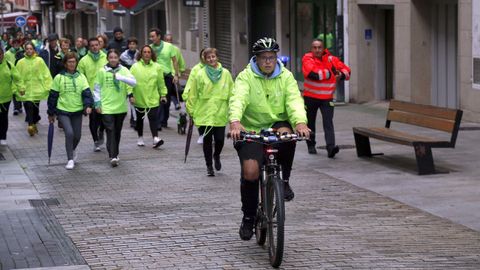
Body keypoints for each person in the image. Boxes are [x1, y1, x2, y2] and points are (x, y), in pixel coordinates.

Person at [229, 37, 310, 240]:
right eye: (263, 58)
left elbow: (294, 100)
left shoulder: (286, 77)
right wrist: (236, 122)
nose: (267, 62)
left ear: (276, 58)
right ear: (255, 59)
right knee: (250, 172)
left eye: (271, 57)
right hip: (251, 129)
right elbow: (238, 98)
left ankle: (284, 180)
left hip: (276, 124)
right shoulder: (245, 77)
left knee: (288, 135)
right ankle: (248, 217)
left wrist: (300, 122)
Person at [185, 47, 233, 176]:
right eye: (208, 57)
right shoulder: (200, 74)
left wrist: (233, 111)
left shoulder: (226, 74)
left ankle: (216, 155)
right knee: (207, 140)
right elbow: (193, 94)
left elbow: (232, 93)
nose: (211, 59)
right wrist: (190, 110)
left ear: (217, 57)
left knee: (219, 140)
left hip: (220, 112)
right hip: (204, 113)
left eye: (213, 56)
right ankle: (209, 166)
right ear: (204, 60)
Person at [302, 38, 350, 157]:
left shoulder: (331, 59)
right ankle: (311, 145)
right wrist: (331, 73)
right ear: (311, 49)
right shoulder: (307, 58)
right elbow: (312, 75)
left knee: (328, 122)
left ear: (323, 49)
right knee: (310, 123)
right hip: (310, 97)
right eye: (315, 47)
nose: (317, 50)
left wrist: (341, 75)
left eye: (319, 47)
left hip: (327, 98)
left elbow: (347, 71)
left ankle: (331, 148)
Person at [47, 52, 93, 169]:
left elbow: (87, 93)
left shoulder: (81, 77)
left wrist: (88, 105)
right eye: (69, 62)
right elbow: (53, 95)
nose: (72, 64)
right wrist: (51, 113)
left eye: (74, 62)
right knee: (69, 133)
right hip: (63, 110)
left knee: (77, 136)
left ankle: (72, 149)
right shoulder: (59, 77)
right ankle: (70, 159)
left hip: (77, 110)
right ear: (65, 64)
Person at [93, 49, 136, 167]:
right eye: (110, 57)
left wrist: (121, 77)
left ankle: (114, 152)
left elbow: (133, 82)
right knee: (110, 129)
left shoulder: (124, 70)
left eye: (115, 57)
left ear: (118, 59)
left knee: (117, 131)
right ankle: (113, 155)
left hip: (120, 107)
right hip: (106, 107)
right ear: (107, 59)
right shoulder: (102, 71)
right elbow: (96, 88)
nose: (113, 59)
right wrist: (97, 103)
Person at [130, 45, 167, 148]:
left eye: (149, 52)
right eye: (144, 52)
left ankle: (155, 138)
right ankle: (140, 137)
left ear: (152, 54)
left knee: (153, 118)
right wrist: (130, 95)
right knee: (139, 119)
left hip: (152, 97)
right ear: (141, 54)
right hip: (139, 97)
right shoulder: (135, 67)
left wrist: (163, 94)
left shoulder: (157, 67)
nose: (146, 54)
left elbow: (161, 82)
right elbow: (130, 82)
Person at [15, 42, 53, 136]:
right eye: (27, 49)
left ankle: (34, 122)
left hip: (37, 90)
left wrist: (48, 86)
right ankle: (30, 126)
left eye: (30, 48)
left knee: (35, 110)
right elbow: (17, 76)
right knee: (28, 107)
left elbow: (46, 74)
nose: (29, 50)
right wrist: (19, 88)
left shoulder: (39, 60)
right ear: (25, 50)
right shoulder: (20, 62)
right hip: (25, 90)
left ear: (34, 50)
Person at [77, 37, 108, 152]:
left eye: (97, 45)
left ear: (100, 45)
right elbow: (80, 77)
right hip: (90, 94)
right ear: (89, 47)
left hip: (104, 93)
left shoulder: (106, 58)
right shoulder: (84, 61)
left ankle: (101, 131)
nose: (95, 47)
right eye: (92, 45)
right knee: (93, 118)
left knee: (104, 117)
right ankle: (95, 140)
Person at [148, 28, 180, 129]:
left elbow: (174, 61)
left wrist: (176, 75)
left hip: (167, 75)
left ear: (159, 36)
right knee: (157, 98)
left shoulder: (169, 46)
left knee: (166, 99)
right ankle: (157, 122)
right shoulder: (149, 48)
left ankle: (164, 120)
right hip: (154, 76)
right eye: (150, 36)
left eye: (153, 36)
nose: (151, 38)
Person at [0, 47, 24, 145]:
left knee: (3, 117)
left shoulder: (9, 65)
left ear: (3, 55)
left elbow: (18, 78)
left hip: (6, 97)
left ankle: (2, 136)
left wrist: (21, 88)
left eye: (0, 54)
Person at [120, 37, 140, 129]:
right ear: (128, 45)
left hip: (135, 80)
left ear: (136, 45)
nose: (132, 45)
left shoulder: (139, 55)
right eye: (130, 44)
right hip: (125, 80)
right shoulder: (123, 56)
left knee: (133, 99)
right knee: (124, 100)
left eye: (134, 44)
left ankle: (134, 119)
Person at [164, 33, 186, 109]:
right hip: (166, 74)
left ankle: (176, 103)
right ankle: (176, 103)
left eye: (170, 40)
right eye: (167, 40)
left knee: (171, 90)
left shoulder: (176, 49)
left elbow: (181, 61)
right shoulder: (162, 50)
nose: (169, 42)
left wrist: (180, 72)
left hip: (174, 74)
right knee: (170, 90)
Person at [4, 38, 24, 115]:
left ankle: (20, 106)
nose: (16, 44)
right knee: (14, 90)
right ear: (12, 44)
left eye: (18, 42)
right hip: (12, 73)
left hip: (21, 73)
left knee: (21, 89)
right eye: (14, 43)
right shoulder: (8, 53)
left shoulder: (23, 51)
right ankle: (16, 107)